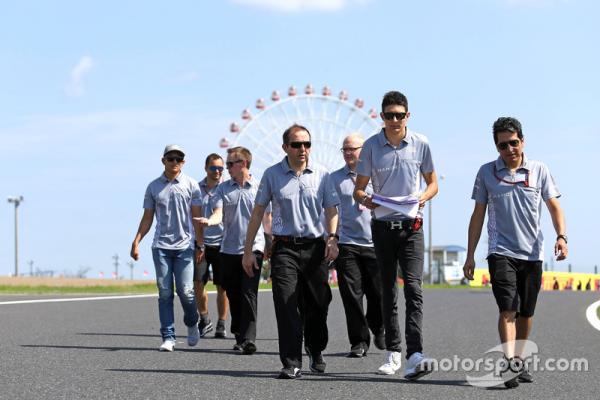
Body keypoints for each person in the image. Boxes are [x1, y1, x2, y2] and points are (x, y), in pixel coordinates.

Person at [463, 117, 568, 388]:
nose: (509, 149)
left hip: (533, 253)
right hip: (501, 251)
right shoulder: (486, 172)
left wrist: (561, 236)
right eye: (502, 145)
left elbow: (554, 206)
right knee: (507, 308)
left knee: (526, 312)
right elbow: (478, 216)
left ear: (522, 141)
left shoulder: (539, 170)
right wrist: (470, 255)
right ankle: (509, 362)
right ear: (496, 148)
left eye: (513, 143)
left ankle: (519, 360)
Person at [242, 124, 339, 379]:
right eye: (297, 144)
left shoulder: (323, 174)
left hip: (316, 248)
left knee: (318, 305)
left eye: (307, 144)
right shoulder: (272, 175)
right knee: (286, 304)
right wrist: (248, 250)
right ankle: (291, 361)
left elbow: (331, 211)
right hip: (284, 247)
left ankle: (315, 349)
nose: (303, 149)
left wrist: (332, 239)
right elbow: (257, 213)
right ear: (285, 147)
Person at [353, 91, 438, 380]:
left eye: (399, 115)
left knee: (414, 288)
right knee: (388, 290)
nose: (394, 120)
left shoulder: (421, 143)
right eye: (389, 115)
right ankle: (393, 352)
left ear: (408, 116)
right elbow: (359, 189)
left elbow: (433, 183)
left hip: (411, 226)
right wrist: (368, 201)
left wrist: (422, 198)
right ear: (382, 117)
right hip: (382, 227)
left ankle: (415, 353)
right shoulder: (370, 147)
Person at [199, 146, 271, 355]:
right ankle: (239, 332)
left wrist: (269, 243)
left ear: (244, 164)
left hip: (254, 248)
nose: (226, 168)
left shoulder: (260, 186)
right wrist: (209, 222)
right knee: (234, 293)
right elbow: (218, 212)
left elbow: (266, 218)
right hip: (228, 249)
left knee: (249, 293)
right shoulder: (223, 189)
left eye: (230, 164)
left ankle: (249, 338)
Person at [130, 144, 202, 352]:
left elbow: (197, 218)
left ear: (184, 162)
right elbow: (147, 218)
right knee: (164, 292)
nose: (174, 162)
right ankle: (168, 336)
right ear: (163, 161)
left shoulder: (191, 185)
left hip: (185, 246)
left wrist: (200, 243)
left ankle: (192, 321)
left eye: (178, 159)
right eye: (170, 158)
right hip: (161, 246)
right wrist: (136, 241)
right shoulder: (153, 187)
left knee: (186, 292)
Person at [328, 133, 384, 358]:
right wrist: (331, 237)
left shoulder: (378, 174)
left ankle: (377, 324)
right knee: (351, 296)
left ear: (364, 150)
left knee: (379, 294)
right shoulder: (333, 179)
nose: (348, 153)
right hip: (347, 243)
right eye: (345, 149)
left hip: (376, 242)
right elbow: (330, 209)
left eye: (352, 149)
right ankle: (359, 341)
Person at [194, 154, 230, 338]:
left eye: (220, 169)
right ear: (205, 168)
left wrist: (210, 221)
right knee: (198, 282)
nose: (217, 172)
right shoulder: (196, 189)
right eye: (213, 168)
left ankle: (222, 323)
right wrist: (199, 244)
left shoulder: (226, 188)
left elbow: (219, 212)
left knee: (222, 286)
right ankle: (205, 318)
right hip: (201, 243)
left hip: (223, 243)